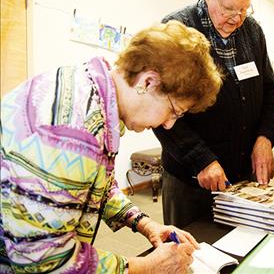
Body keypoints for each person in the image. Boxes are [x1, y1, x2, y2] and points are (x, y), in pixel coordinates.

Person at [0, 20, 223, 274]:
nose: (169, 124)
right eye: (174, 110)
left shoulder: (95, 95)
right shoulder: (73, 132)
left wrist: (146, 224)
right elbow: (43, 261)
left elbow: (96, 186)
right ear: (148, 82)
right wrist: (148, 266)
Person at [153, 0, 274, 228]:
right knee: (191, 257)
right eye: (228, 9)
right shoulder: (176, 29)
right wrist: (201, 159)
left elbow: (270, 89)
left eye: (244, 9)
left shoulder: (253, 31)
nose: (236, 19)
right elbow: (159, 109)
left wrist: (265, 137)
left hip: (243, 177)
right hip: (190, 179)